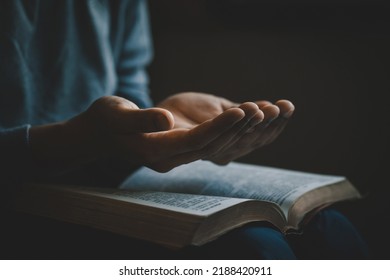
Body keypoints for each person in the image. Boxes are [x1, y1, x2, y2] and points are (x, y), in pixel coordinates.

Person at [0, 0, 369, 259]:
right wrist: (77, 138)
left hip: (98, 170)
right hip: (17, 193)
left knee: (328, 229)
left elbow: (128, 88)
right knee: (254, 251)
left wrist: (160, 118)